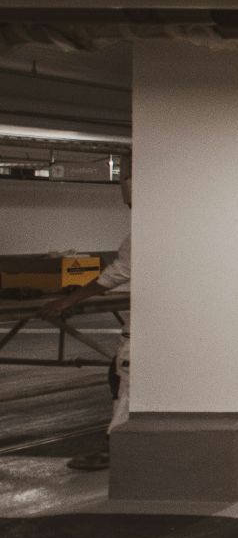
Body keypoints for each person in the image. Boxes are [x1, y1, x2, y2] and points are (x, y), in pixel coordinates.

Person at [36, 173, 131, 471]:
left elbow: (116, 274)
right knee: (119, 379)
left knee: (125, 382)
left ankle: (116, 446)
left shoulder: (145, 233)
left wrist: (69, 300)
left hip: (144, 331)